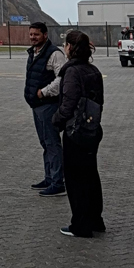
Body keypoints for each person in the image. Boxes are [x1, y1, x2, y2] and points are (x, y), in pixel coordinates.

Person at [40, 30, 106, 237]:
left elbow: (68, 104)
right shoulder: (93, 70)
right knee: (91, 176)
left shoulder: (72, 72)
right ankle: (96, 219)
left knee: (76, 180)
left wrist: (56, 121)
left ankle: (81, 225)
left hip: (75, 131)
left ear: (70, 47)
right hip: (92, 128)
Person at [22, 22, 67, 196]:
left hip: (48, 105)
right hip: (37, 106)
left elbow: (62, 79)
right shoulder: (34, 52)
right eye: (31, 34)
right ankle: (49, 177)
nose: (33, 37)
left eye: (36, 35)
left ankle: (58, 183)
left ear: (45, 35)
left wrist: (44, 93)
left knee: (52, 143)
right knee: (45, 143)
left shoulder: (54, 54)